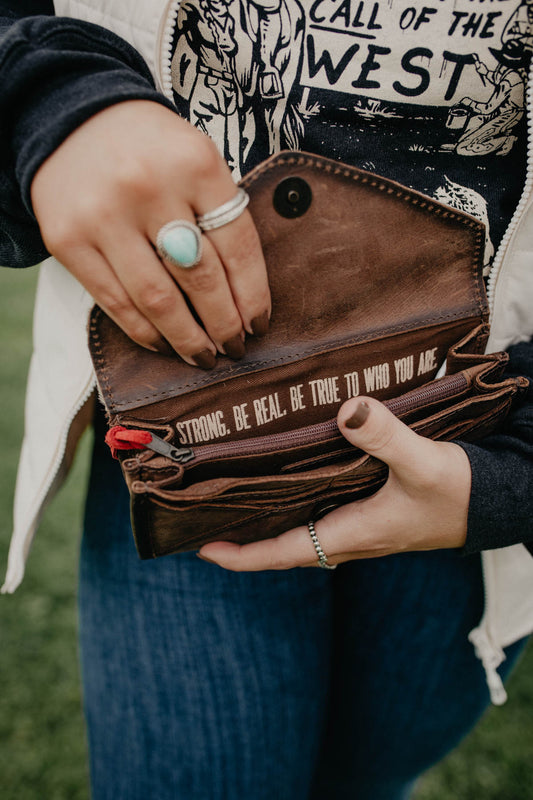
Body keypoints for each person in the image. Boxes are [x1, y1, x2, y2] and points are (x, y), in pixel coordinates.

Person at [1, 1, 533, 798]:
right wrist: (50, 95)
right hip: (195, 431)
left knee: (365, 780)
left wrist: (515, 475)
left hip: (477, 429)